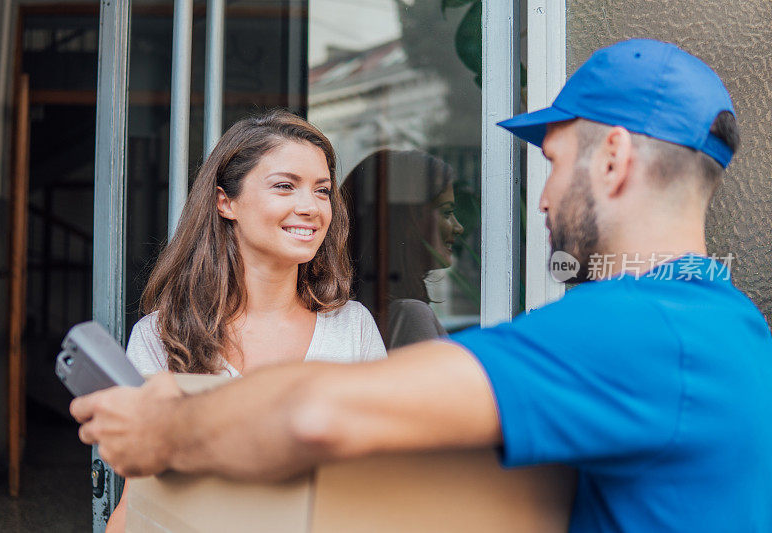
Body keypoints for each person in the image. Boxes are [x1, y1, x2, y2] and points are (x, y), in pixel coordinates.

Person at [72, 40, 772, 533]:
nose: (544, 198)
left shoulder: (632, 329)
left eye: (552, 162)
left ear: (613, 157)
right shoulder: (730, 323)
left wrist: (165, 423)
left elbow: (318, 413)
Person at [106, 110, 386, 531]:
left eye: (322, 190)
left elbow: (379, 480)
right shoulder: (162, 334)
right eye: (285, 186)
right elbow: (137, 500)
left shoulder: (353, 328)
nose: (310, 207)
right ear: (226, 201)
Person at [341, 149, 465, 348]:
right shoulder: (410, 314)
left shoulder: (348, 314)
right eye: (447, 212)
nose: (459, 227)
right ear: (407, 221)